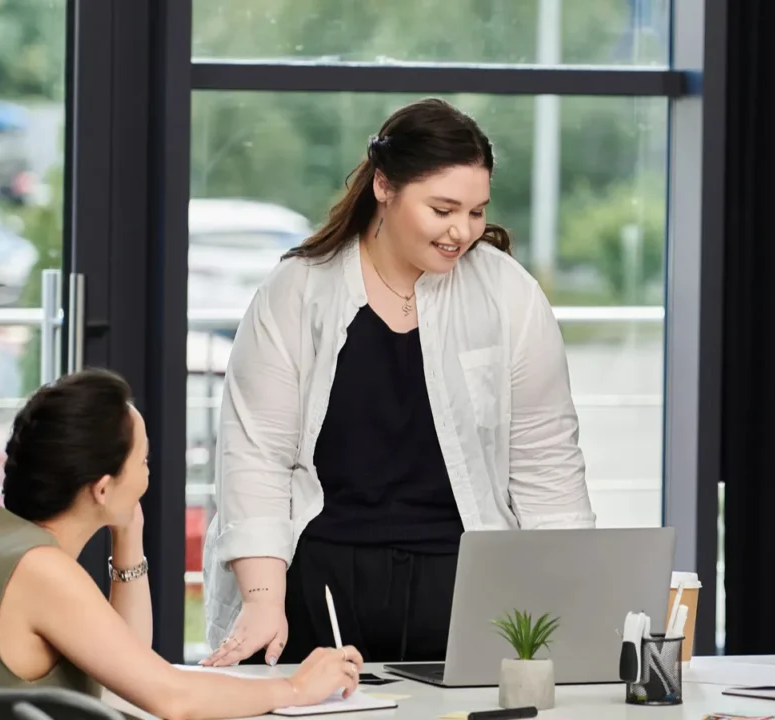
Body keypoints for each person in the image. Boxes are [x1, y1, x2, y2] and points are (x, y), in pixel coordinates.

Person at [201, 97, 596, 668]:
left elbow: (546, 463)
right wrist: (264, 601)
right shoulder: (296, 291)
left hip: (462, 585)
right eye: (442, 209)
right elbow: (255, 457)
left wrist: (571, 604)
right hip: (320, 586)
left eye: (477, 211)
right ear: (384, 187)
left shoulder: (509, 293)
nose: (462, 232)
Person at [0, 369, 362, 720]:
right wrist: (296, 689)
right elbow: (172, 699)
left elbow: (124, 662)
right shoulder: (41, 570)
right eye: (143, 461)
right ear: (102, 489)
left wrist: (128, 533)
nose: (148, 476)